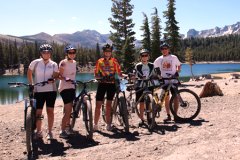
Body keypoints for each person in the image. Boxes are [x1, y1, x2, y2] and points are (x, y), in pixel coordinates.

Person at [27, 44, 59, 140]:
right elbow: (29, 72)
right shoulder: (35, 63)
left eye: (48, 52)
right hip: (39, 91)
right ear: (41, 53)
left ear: (50, 53)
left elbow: (56, 76)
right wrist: (31, 83)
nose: (46, 54)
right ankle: (39, 131)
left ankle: (49, 131)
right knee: (38, 112)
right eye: (44, 52)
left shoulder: (53, 64)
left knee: (50, 111)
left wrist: (53, 79)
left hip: (51, 91)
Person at [94, 43, 122, 131]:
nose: (107, 53)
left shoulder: (114, 61)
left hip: (111, 84)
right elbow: (95, 73)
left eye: (109, 51)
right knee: (98, 105)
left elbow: (119, 72)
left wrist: (123, 76)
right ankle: (95, 124)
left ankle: (108, 124)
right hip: (102, 84)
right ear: (104, 52)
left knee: (109, 105)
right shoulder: (99, 61)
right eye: (106, 51)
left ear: (111, 52)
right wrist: (99, 77)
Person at [153, 43, 181, 122]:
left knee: (175, 97)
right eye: (162, 49)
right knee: (166, 98)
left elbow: (179, 65)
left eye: (166, 49)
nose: (164, 50)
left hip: (173, 80)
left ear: (168, 49)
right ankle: (168, 115)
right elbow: (155, 67)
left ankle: (175, 115)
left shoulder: (174, 57)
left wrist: (177, 71)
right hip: (164, 80)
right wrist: (158, 75)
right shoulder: (158, 59)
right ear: (161, 50)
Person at [58, 45, 77, 138]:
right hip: (64, 88)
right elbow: (59, 76)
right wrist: (66, 78)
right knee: (68, 109)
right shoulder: (63, 63)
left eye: (73, 52)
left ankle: (68, 127)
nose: (72, 54)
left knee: (69, 108)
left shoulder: (74, 62)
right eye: (70, 53)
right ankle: (62, 131)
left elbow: (73, 75)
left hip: (72, 87)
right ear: (67, 54)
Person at [134, 49, 155, 127]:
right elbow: (136, 74)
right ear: (140, 57)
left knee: (150, 101)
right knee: (141, 103)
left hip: (149, 84)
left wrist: (156, 77)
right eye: (143, 55)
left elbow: (154, 74)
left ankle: (150, 118)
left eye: (146, 55)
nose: (145, 57)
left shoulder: (152, 65)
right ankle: (142, 119)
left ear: (148, 56)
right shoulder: (138, 65)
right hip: (140, 85)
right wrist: (138, 77)